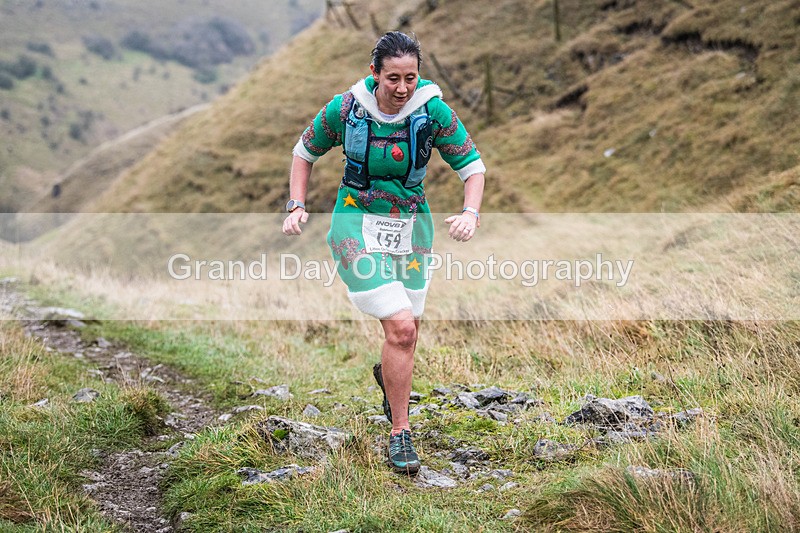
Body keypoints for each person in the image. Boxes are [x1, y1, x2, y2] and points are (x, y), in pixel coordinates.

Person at [282, 31, 485, 475]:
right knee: (401, 328)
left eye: (410, 77)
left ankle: (389, 379)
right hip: (355, 224)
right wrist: (297, 204)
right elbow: (304, 152)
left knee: (407, 332)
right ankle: (400, 433)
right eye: (392, 77)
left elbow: (472, 168)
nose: (402, 88)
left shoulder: (432, 112)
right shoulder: (346, 108)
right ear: (374, 73)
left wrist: (470, 213)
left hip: (412, 230)